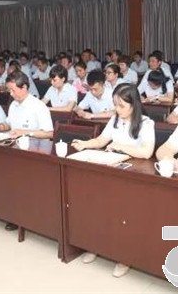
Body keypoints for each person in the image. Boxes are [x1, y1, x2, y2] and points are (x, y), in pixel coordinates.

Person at [71, 83, 155, 278]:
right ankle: (97, 246)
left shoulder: (146, 123)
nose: (117, 109)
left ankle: (124, 257)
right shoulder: (115, 119)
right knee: (101, 210)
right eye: (115, 105)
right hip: (112, 169)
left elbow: (146, 152)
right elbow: (101, 141)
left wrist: (120, 146)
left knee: (124, 217)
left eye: (121, 106)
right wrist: (85, 144)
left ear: (134, 104)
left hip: (133, 175)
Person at [0, 71, 54, 139]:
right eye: (9, 90)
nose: (11, 94)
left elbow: (49, 133)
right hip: (14, 142)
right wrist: (0, 127)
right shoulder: (13, 104)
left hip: (34, 144)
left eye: (13, 90)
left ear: (24, 87)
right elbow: (9, 123)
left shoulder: (39, 106)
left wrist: (25, 133)